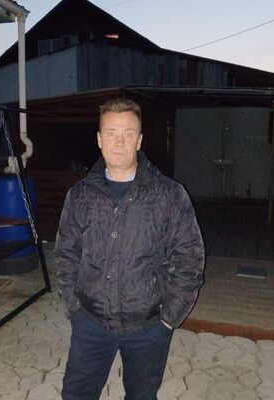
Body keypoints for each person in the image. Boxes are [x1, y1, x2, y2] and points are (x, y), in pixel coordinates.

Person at [55, 98, 205, 400]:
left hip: (148, 327)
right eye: (111, 133)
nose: (119, 142)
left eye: (128, 133)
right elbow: (66, 254)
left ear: (139, 140)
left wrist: (168, 319)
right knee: (76, 395)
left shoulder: (169, 195)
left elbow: (190, 259)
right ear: (99, 139)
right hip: (90, 323)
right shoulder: (80, 195)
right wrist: (74, 308)